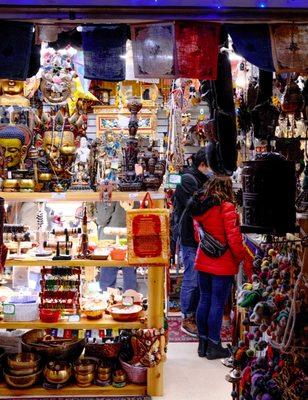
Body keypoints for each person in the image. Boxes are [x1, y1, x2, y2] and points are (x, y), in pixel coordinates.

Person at [192, 176, 252, 359]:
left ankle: (202, 345)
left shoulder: (200, 208)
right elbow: (234, 239)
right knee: (217, 303)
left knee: (204, 299)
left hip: (203, 259)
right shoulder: (227, 207)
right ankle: (214, 345)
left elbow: (198, 237)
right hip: (223, 263)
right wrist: (242, 256)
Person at [172, 148, 212, 337]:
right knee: (192, 277)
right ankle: (187, 317)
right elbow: (195, 207)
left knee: (196, 276)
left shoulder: (198, 178)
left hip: (196, 235)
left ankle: (193, 315)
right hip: (190, 236)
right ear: (203, 164)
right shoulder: (188, 179)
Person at [95, 201, 137, 292]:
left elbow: (102, 219)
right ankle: (130, 303)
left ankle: (108, 303)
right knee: (130, 282)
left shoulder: (109, 193)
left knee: (107, 283)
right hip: (130, 238)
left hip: (110, 240)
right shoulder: (135, 192)